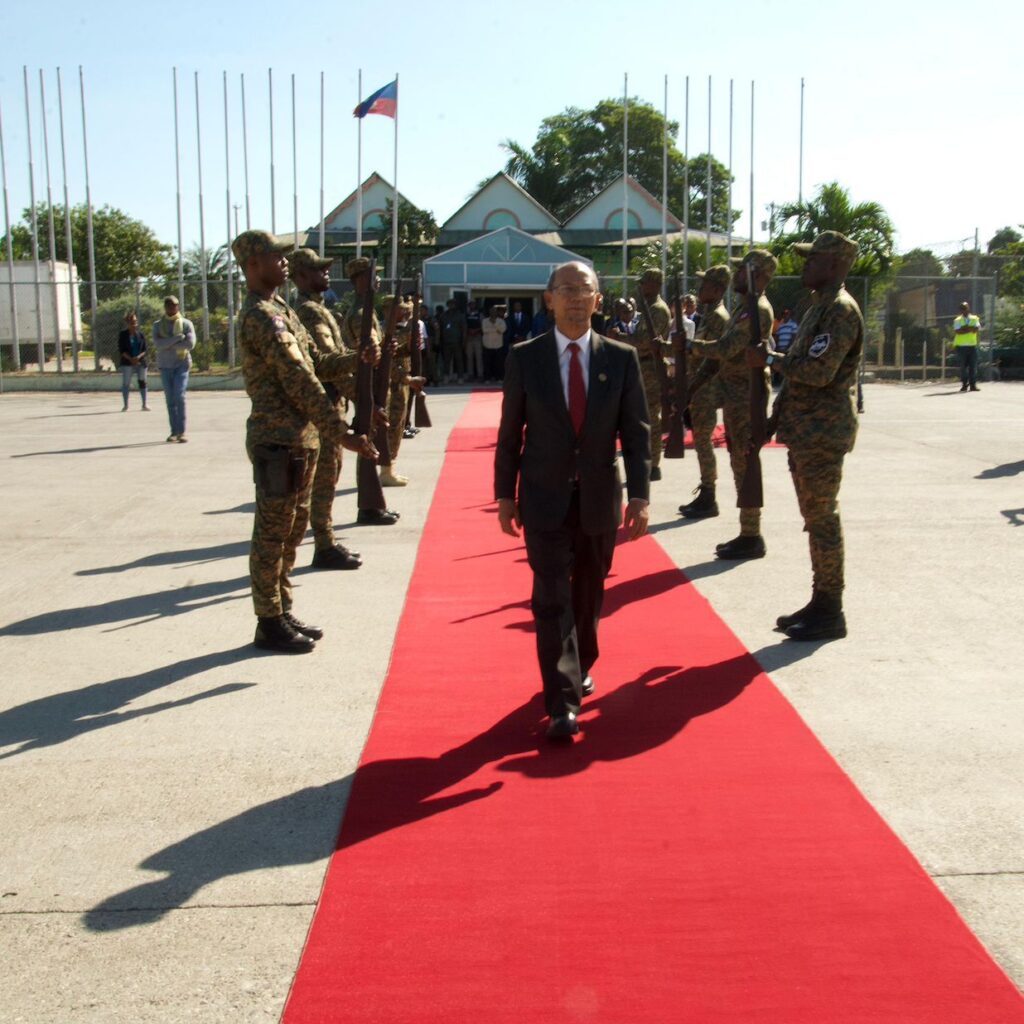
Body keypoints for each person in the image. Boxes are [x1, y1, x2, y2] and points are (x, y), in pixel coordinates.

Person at [495, 260, 651, 740]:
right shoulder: (526, 357)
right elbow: (509, 434)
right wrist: (504, 494)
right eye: (566, 289)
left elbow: (637, 432)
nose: (576, 298)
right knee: (551, 599)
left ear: (598, 300)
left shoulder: (621, 358)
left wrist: (641, 495)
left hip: (600, 499)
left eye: (585, 290)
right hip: (542, 497)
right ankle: (561, 702)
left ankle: (582, 661)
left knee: (588, 594)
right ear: (549, 299)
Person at [234, 230, 376, 654]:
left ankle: (282, 608)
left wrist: (356, 358)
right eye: (273, 256)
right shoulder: (261, 315)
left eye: (283, 256)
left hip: (301, 437)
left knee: (294, 529)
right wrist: (341, 432)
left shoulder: (281, 309)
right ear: (252, 265)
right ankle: (268, 619)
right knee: (272, 535)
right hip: (277, 440)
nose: (283, 263)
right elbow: (299, 380)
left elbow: (317, 362)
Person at [746, 230, 863, 641]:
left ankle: (831, 608)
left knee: (823, 519)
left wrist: (771, 359)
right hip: (805, 429)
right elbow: (797, 377)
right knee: (814, 519)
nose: (805, 265)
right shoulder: (818, 307)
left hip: (823, 431)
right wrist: (773, 421)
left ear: (833, 264)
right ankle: (821, 599)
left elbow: (818, 372)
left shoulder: (840, 311)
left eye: (813, 259)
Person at [689, 250, 775, 559]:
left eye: (743, 271)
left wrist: (691, 346)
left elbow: (727, 348)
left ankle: (752, 535)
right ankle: (748, 532)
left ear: (760, 275)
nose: (736, 275)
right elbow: (722, 357)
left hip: (746, 396)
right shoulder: (743, 308)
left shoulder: (757, 309)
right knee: (739, 460)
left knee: (745, 462)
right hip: (734, 394)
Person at [289, 247, 365, 570]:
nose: (326, 274)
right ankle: (323, 544)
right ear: (302, 276)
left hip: (331, 403)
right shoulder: (309, 312)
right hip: (323, 407)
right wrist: (359, 362)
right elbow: (326, 367)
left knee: (328, 477)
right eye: (319, 270)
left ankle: (326, 539)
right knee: (322, 481)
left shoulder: (321, 309)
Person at [338, 257, 401, 525]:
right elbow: (368, 356)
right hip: (366, 385)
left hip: (371, 382)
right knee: (368, 439)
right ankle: (369, 507)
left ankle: (372, 504)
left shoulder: (367, 311)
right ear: (359, 279)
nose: (378, 280)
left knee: (371, 438)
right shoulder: (361, 314)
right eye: (373, 275)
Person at [679, 266, 731, 520]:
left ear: (719, 289)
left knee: (703, 442)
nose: (700, 290)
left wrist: (690, 347)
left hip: (708, 388)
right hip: (699, 386)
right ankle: (706, 491)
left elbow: (716, 354)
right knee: (700, 442)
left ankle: (709, 494)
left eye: (706, 285)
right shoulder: (708, 316)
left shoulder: (719, 317)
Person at [611, 268, 670, 481]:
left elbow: (645, 342)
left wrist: (621, 338)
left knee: (651, 417)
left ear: (654, 284)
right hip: (643, 367)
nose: (641, 286)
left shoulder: (658, 309)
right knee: (643, 415)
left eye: (644, 282)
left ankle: (653, 464)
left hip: (651, 368)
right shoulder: (649, 308)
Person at [152, 296, 196, 442]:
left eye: (175, 305)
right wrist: (177, 339)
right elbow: (158, 344)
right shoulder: (158, 325)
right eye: (170, 305)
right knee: (170, 399)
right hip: (165, 366)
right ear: (165, 307)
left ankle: (182, 431)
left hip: (181, 364)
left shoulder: (186, 324)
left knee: (180, 396)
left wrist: (168, 344)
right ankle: (174, 432)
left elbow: (189, 344)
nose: (173, 308)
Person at [117, 311, 150, 411]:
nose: (134, 324)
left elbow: (145, 349)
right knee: (126, 383)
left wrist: (138, 357)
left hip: (140, 362)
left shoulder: (140, 335)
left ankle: (144, 404)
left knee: (142, 382)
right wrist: (131, 359)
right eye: (132, 322)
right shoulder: (123, 335)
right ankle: (126, 405)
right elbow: (121, 350)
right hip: (128, 362)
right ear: (127, 323)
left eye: (135, 321)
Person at [953, 300, 981, 391]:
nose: (964, 310)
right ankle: (964, 384)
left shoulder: (975, 318)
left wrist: (964, 328)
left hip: (972, 346)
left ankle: (973, 385)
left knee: (973, 366)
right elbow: (958, 331)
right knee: (963, 367)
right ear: (960, 310)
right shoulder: (957, 320)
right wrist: (970, 328)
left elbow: (976, 329)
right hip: (961, 346)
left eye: (965, 308)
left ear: (968, 308)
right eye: (962, 308)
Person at [439, 299, 467, 384]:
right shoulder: (443, 315)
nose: (451, 306)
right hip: (446, 342)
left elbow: (464, 329)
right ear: (448, 305)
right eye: (450, 304)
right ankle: (446, 377)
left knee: (459, 361)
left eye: (453, 304)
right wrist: (440, 340)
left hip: (457, 342)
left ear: (456, 305)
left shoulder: (460, 315)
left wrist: (464, 341)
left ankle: (460, 377)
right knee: (446, 361)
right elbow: (440, 329)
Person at [481, 303, 507, 382]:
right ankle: (487, 378)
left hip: (498, 345)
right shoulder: (484, 321)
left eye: (494, 311)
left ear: (496, 312)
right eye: (491, 311)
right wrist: (496, 329)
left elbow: (502, 330)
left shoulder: (501, 321)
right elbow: (484, 330)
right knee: (487, 363)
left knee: (498, 363)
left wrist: (493, 324)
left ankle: (499, 378)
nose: (493, 313)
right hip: (487, 345)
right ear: (489, 312)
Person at [464, 299, 484, 382]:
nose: (472, 306)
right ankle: (470, 375)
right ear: (468, 306)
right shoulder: (466, 315)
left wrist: (476, 330)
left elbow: (483, 325)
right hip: (469, 338)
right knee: (469, 357)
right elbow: (464, 326)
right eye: (470, 304)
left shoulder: (480, 314)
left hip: (478, 337)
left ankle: (480, 375)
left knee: (479, 357)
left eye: (473, 304)